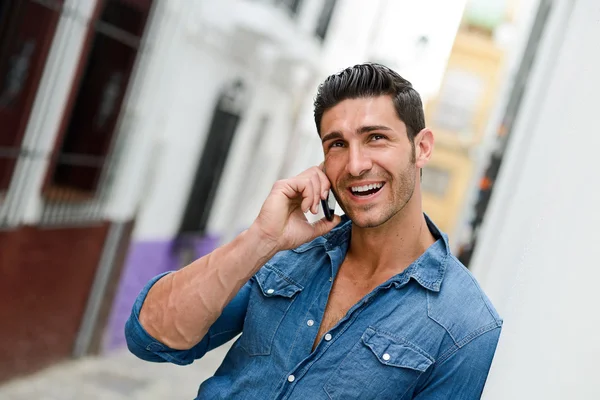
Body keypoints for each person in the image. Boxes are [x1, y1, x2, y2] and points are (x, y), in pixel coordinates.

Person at [125, 63, 502, 399]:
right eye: (337, 144)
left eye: (375, 137)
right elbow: (151, 337)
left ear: (421, 148)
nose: (355, 165)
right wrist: (261, 239)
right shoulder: (285, 254)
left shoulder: (466, 326)